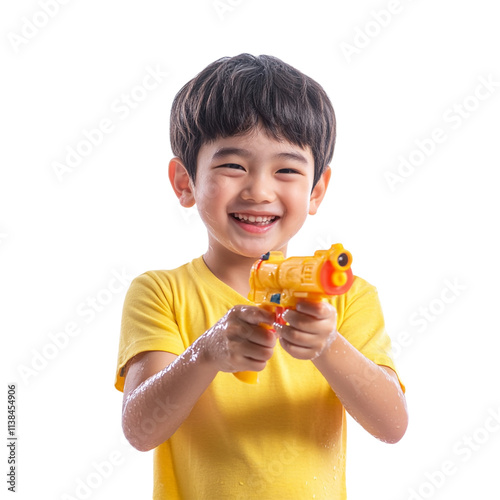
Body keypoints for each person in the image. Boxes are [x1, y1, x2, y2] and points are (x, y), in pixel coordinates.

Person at [114, 53, 408, 499]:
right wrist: (206, 353)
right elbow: (139, 429)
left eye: (287, 170)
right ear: (184, 183)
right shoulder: (161, 292)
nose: (259, 190)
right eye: (233, 165)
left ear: (317, 190)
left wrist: (328, 346)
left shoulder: (348, 298)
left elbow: (392, 425)